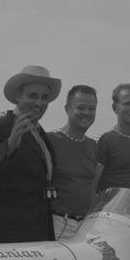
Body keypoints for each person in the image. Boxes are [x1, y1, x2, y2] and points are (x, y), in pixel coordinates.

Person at [0, 66, 60, 244]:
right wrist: (9, 146)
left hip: (39, 229)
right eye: (32, 95)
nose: (39, 103)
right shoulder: (1, 127)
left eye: (44, 98)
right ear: (17, 96)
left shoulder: (40, 133)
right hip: (10, 234)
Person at [48, 84, 100, 240]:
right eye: (81, 108)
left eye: (91, 109)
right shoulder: (50, 141)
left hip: (86, 226)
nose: (86, 113)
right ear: (67, 108)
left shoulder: (93, 146)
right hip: (57, 223)